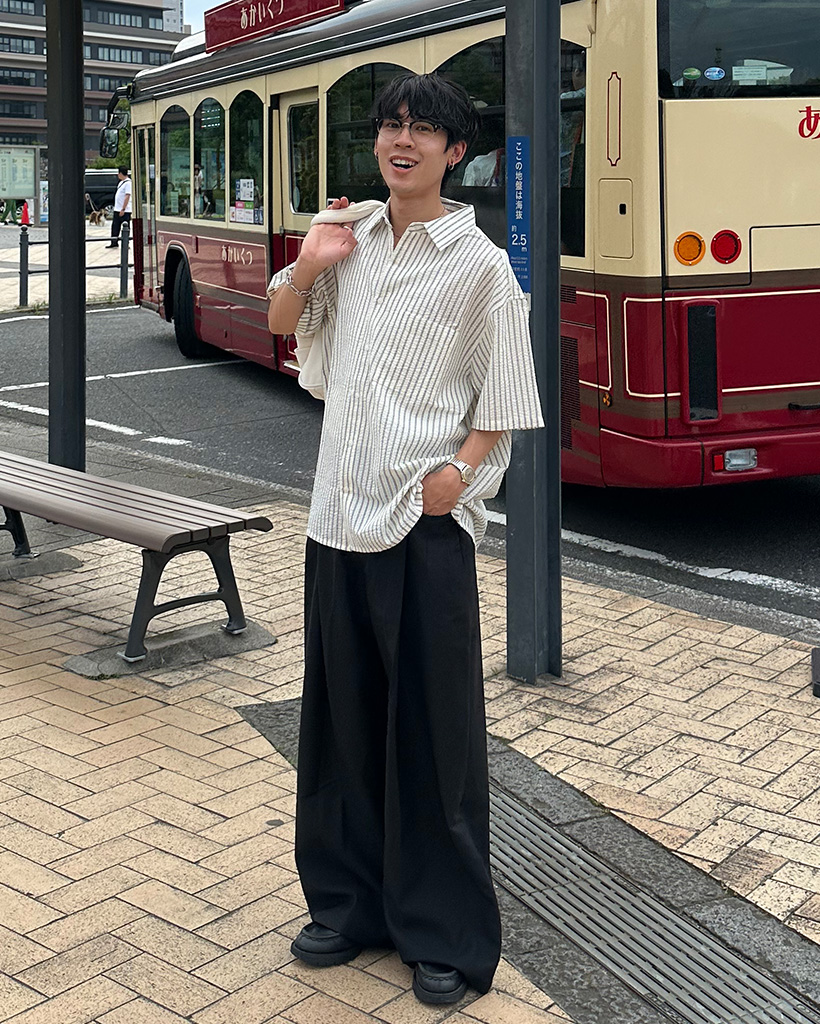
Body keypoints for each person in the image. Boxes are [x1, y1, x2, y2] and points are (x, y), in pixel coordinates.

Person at [267, 72, 543, 1006]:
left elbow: (504, 399)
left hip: (422, 527)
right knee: (340, 724)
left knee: (434, 738)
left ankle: (443, 933)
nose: (403, 140)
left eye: (424, 129)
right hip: (337, 516)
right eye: (392, 124)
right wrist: (311, 261)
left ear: (455, 152)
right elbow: (283, 324)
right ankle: (349, 906)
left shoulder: (480, 267)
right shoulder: (349, 240)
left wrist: (458, 476)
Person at [106, 166, 131, 248]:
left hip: (124, 210)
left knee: (125, 227)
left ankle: (126, 243)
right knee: (115, 226)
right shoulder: (121, 183)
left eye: (118, 173)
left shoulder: (128, 183)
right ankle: (114, 242)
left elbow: (127, 196)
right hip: (117, 209)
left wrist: (123, 208)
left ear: (121, 173)